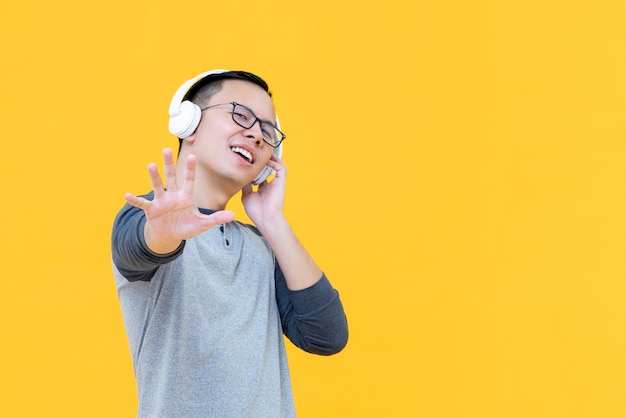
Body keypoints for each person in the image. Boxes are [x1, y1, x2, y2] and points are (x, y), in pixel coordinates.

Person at [110, 69, 348, 417]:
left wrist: (272, 222)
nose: (255, 134)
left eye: (268, 132)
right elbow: (141, 248)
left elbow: (327, 336)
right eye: (241, 114)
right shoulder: (147, 218)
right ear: (188, 122)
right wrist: (164, 231)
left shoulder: (261, 249)